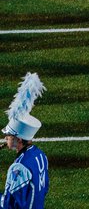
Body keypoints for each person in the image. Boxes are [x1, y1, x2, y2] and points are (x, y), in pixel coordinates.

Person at [2, 74, 49, 209]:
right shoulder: (40, 155)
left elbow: (10, 204)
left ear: (18, 139)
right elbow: (45, 188)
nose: (6, 138)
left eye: (9, 135)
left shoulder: (19, 167)